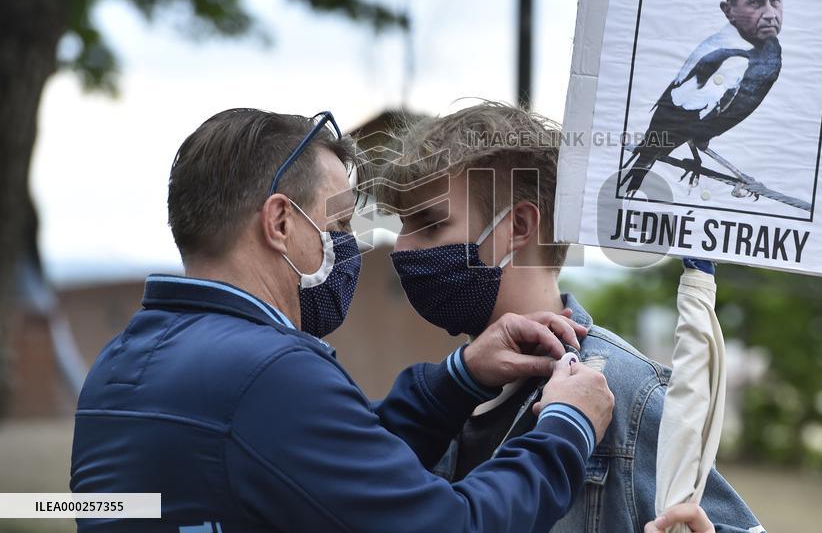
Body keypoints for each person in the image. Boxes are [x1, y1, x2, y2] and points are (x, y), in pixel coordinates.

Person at [70, 108, 617, 532]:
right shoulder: (269, 375)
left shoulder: (116, 369)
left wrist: (457, 379)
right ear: (281, 221)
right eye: (338, 223)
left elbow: (316, 465)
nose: (354, 247)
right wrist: (566, 431)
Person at [376, 102, 766, 532]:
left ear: (519, 226)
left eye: (429, 224)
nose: (400, 248)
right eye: (402, 224)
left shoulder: (627, 392)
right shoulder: (442, 397)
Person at [619, 0, 784, 199]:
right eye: (756, 2)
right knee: (690, 143)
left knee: (693, 141)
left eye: (775, 1)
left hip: (684, 121)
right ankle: (740, 176)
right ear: (730, 11)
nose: (770, 13)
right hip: (678, 122)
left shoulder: (743, 48)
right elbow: (687, 117)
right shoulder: (735, 60)